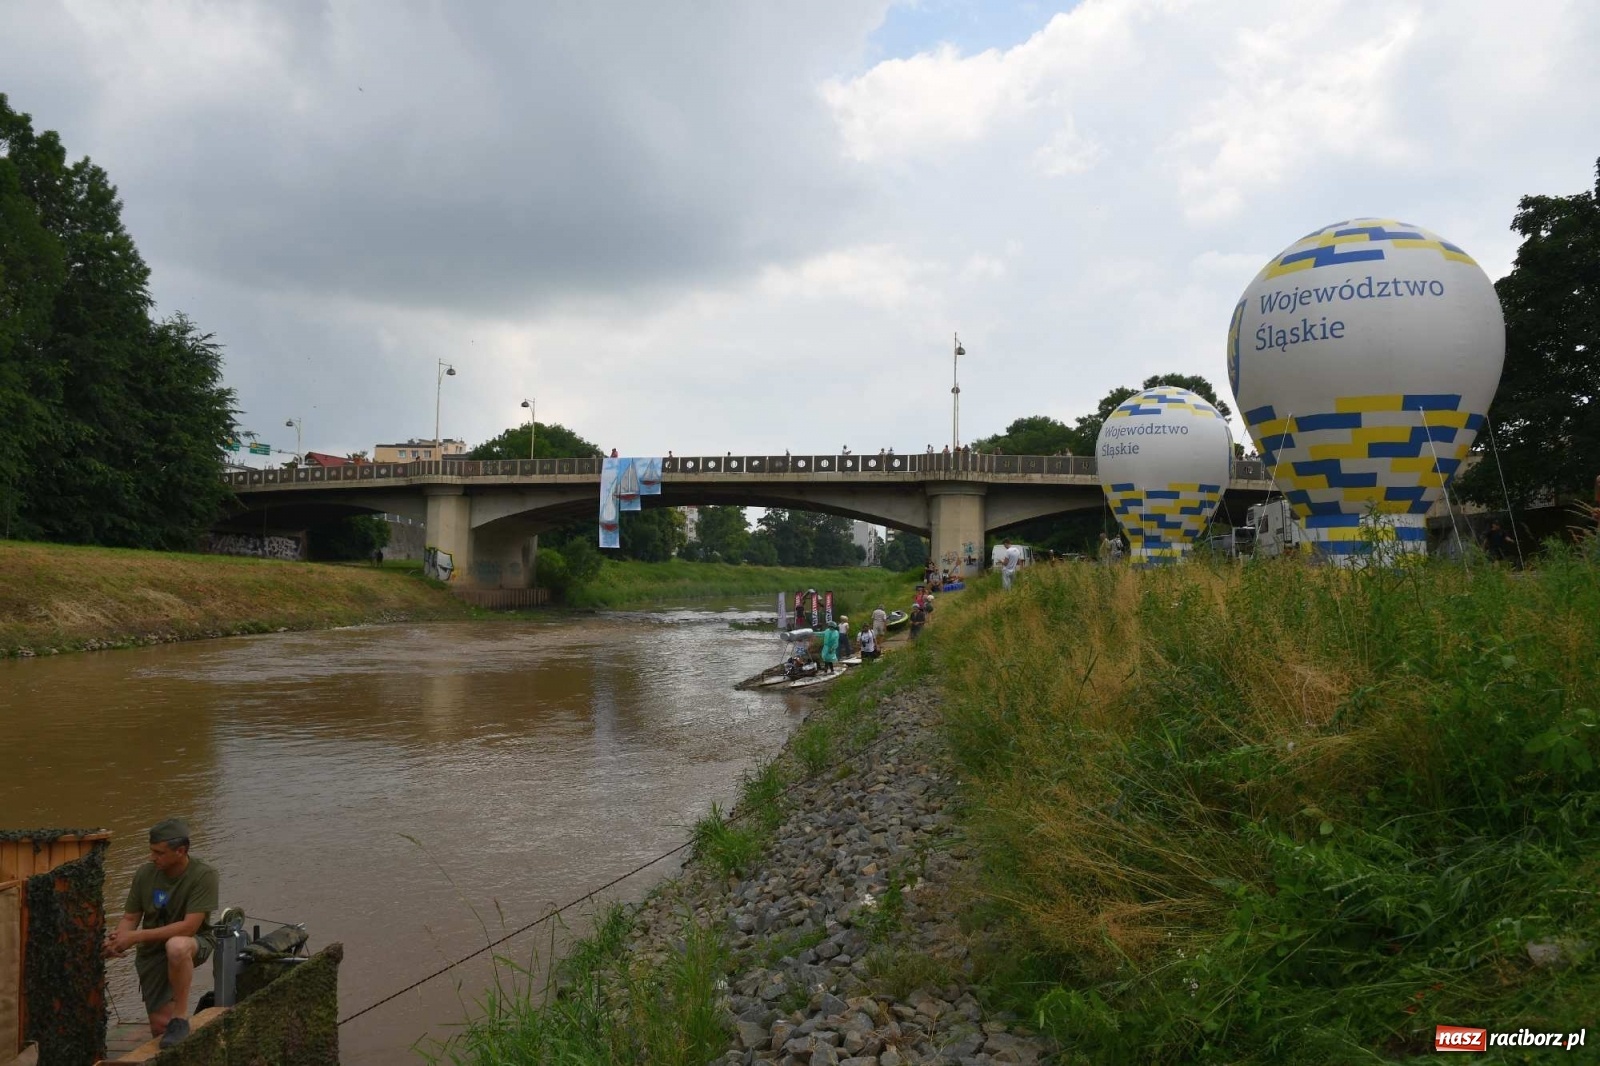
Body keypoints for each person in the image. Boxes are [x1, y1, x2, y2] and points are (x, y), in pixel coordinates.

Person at [105, 818, 220, 1049]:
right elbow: (130, 918)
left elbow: (189, 927)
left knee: (176, 946)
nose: (152, 857)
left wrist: (135, 937)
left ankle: (180, 1016)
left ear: (181, 851)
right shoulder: (145, 874)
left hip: (194, 943)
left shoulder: (204, 875)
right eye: (152, 851)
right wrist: (118, 940)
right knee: (160, 1029)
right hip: (152, 951)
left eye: (159, 853)